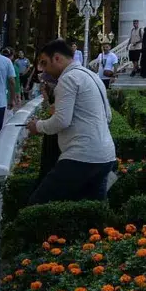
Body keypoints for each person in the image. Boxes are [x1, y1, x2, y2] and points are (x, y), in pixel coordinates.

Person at [26, 39, 117, 204]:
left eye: (45, 63)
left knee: (37, 203)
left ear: (57, 58)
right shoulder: (92, 75)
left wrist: (37, 126)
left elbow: (61, 121)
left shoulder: (68, 79)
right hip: (106, 156)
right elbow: (108, 116)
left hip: (81, 156)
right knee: (90, 211)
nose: (44, 69)